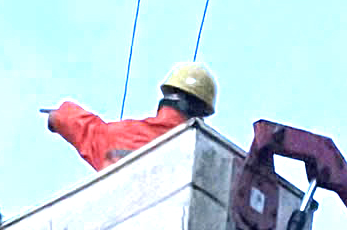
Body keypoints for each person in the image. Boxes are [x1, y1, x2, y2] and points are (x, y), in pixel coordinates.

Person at [41, 61, 217, 172]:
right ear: (201, 113)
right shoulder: (207, 157)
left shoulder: (123, 134)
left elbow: (86, 128)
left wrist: (58, 116)